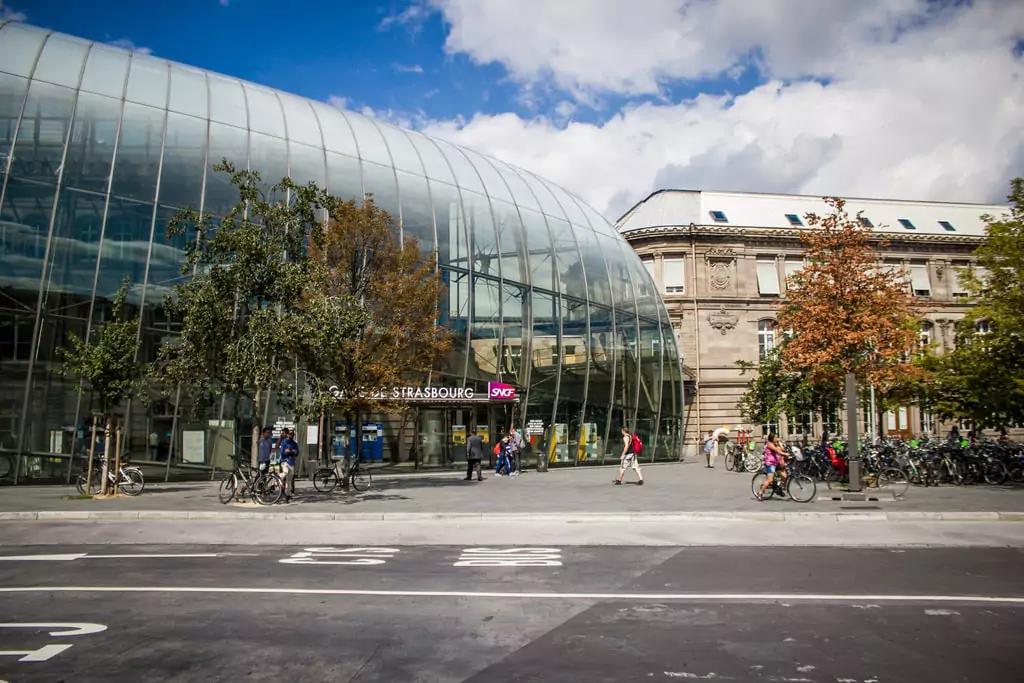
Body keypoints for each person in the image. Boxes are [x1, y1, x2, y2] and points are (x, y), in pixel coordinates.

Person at [755, 432, 789, 501]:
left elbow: (782, 449)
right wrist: (785, 454)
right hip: (770, 463)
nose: (777, 438)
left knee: (784, 476)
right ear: (771, 438)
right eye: (775, 437)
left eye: (777, 437)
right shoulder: (769, 444)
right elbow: (777, 450)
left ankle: (778, 488)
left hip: (776, 462)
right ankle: (760, 493)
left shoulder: (775, 443)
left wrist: (779, 442)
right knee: (770, 480)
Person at [278, 428, 299, 503]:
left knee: (289, 481)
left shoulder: (294, 443)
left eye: (292, 434)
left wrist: (289, 451)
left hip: (291, 462)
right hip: (285, 461)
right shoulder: (284, 442)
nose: (291, 435)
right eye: (290, 434)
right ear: (288, 434)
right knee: (285, 472)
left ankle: (287, 496)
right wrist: (291, 452)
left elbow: (297, 453)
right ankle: (277, 478)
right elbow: (283, 453)